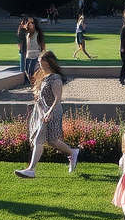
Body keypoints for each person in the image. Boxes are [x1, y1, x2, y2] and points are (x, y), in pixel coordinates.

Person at [15, 50, 80, 178]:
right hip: (43, 113)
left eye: (41, 62)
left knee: (40, 140)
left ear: (48, 62)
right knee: (52, 141)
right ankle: (72, 152)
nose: (40, 65)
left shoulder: (55, 78)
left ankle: (30, 169)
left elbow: (58, 99)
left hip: (52, 113)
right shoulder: (45, 78)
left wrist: (49, 112)